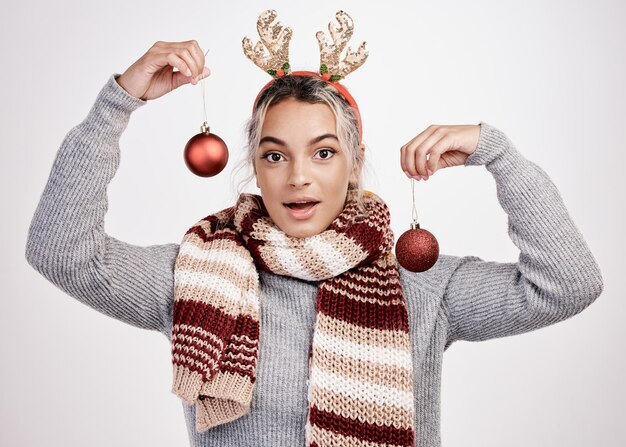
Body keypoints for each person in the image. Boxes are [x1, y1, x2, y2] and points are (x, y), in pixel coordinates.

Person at [25, 36, 604, 447]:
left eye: (323, 152)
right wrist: (117, 103)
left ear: (353, 165)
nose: (297, 176)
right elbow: (61, 252)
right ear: (255, 167)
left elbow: (567, 285)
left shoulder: (421, 285)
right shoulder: (201, 275)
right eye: (275, 155)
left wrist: (496, 153)